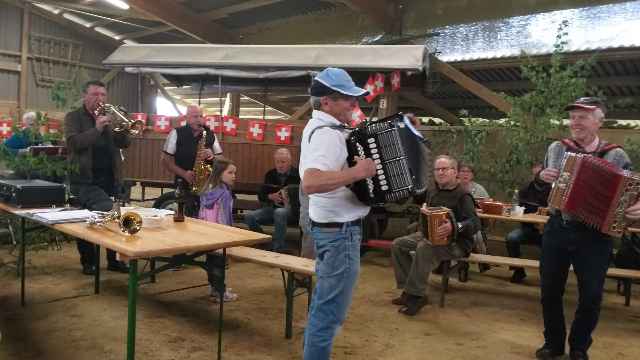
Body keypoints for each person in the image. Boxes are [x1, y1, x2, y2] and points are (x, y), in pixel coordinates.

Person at [535, 97, 632, 360]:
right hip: (558, 227)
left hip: (595, 235)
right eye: (573, 117)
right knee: (549, 290)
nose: (576, 122)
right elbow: (545, 184)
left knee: (591, 295)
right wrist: (541, 177)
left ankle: (579, 347)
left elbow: (629, 194)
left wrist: (635, 207)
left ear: (599, 122)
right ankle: (553, 344)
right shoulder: (557, 148)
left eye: (583, 117)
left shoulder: (616, 154)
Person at [299, 67, 376, 360]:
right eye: (346, 99)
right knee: (329, 313)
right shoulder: (327, 135)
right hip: (340, 232)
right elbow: (311, 182)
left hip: (332, 229)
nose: (352, 104)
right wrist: (358, 171)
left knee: (323, 306)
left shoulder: (323, 128)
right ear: (327, 102)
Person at [391, 155, 480, 316]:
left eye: (444, 169)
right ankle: (408, 290)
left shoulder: (463, 195)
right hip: (429, 236)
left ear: (455, 172)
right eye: (437, 169)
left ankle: (417, 296)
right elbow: (414, 196)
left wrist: (454, 226)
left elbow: (475, 223)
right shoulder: (433, 190)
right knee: (398, 244)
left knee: (424, 248)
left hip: (457, 243)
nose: (440, 172)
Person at [64, 80, 130, 275]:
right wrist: (97, 128)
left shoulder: (109, 117)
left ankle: (114, 260)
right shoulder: (74, 117)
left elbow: (123, 144)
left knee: (116, 217)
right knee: (89, 219)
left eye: (102, 95)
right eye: (95, 94)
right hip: (84, 179)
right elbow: (74, 143)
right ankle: (89, 262)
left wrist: (124, 128)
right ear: (85, 96)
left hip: (110, 177)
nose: (99, 99)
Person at [161, 105, 223, 217]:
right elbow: (165, 160)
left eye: (201, 116)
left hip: (206, 186)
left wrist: (212, 156)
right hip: (183, 185)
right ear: (186, 118)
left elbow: (221, 159)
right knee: (185, 217)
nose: (199, 119)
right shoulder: (176, 133)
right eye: (195, 116)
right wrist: (184, 174)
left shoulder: (210, 134)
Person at [198, 157, 239, 303]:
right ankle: (221, 293)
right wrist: (228, 236)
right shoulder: (225, 194)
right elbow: (223, 217)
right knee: (219, 265)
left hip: (207, 234)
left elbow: (201, 214)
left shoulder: (207, 190)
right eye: (230, 173)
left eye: (234, 173)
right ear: (219, 174)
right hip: (219, 236)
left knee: (211, 262)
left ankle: (214, 288)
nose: (234, 176)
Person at [244, 148, 300, 252]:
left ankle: (278, 247)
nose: (280, 165)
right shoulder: (270, 174)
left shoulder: (298, 175)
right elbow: (261, 195)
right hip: (272, 208)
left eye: (283, 162)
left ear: (290, 161)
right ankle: (263, 240)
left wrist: (289, 199)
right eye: (277, 162)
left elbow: (303, 198)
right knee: (249, 216)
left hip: (292, 211)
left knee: (280, 212)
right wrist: (270, 196)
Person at [506, 163, 551, 283]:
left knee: (554, 246)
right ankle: (518, 271)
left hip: (548, 231)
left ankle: (549, 277)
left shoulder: (554, 190)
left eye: (541, 171)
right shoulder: (526, 189)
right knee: (512, 238)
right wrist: (515, 211)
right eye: (536, 173)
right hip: (528, 229)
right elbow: (518, 209)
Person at [458, 163, 490, 271]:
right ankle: (474, 263)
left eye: (468, 171)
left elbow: (488, 204)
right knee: (475, 235)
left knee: (477, 234)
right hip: (457, 223)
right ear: (457, 173)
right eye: (463, 171)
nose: (465, 174)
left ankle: (482, 262)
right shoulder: (454, 187)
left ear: (472, 175)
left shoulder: (479, 189)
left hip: (474, 222)